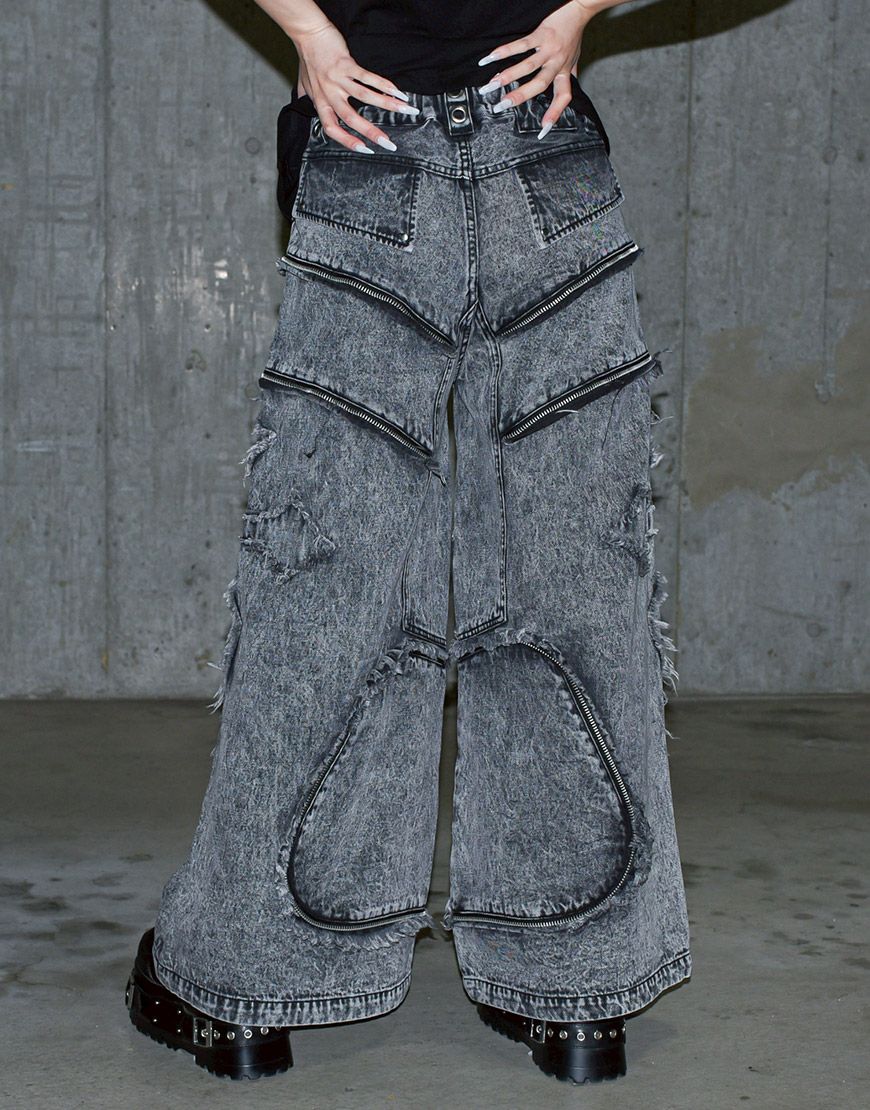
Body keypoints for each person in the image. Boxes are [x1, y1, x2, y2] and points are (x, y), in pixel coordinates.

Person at [124, 0, 691, 1085]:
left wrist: (310, 32)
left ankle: (248, 992)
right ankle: (576, 992)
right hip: (544, 156)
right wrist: (576, 11)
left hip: (368, 146)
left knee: (330, 591)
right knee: (572, 579)